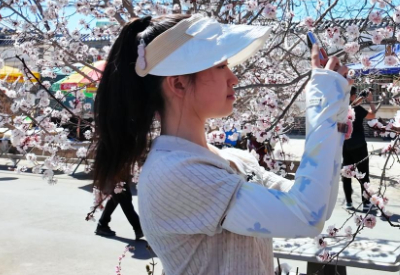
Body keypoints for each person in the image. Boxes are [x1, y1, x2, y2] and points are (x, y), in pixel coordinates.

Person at [91, 14, 351, 275]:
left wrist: (334, 117)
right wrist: (323, 103)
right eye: (220, 66)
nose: (233, 78)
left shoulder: (234, 159)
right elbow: (307, 215)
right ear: (178, 83)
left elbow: (317, 207)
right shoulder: (176, 173)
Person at [342, 87, 376, 211]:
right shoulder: (357, 109)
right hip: (359, 146)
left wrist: (360, 98)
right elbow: (372, 115)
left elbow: (351, 104)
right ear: (352, 96)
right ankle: (366, 203)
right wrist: (370, 101)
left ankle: (348, 202)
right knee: (364, 174)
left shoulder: (339, 109)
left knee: (346, 173)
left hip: (345, 146)